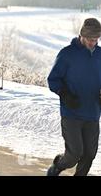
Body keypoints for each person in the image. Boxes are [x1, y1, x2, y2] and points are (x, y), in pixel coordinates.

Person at [47, 18, 101, 176]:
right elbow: (53, 80)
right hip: (72, 113)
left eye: (96, 39)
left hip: (92, 113)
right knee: (74, 154)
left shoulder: (100, 54)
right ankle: (57, 166)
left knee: (89, 154)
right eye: (90, 39)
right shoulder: (67, 54)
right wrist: (65, 94)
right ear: (82, 36)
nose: (93, 43)